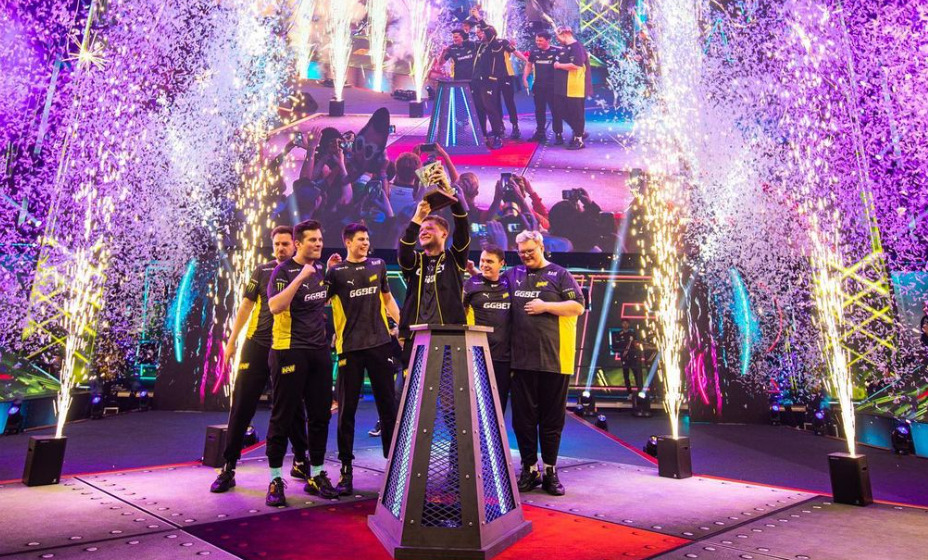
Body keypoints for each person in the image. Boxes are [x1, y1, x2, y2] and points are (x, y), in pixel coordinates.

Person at [210, 226, 310, 494]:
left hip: (286, 346)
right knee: (242, 405)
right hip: (256, 345)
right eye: (276, 244)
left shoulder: (304, 273)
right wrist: (232, 341)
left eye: (285, 244)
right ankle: (228, 467)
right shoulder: (262, 271)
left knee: (292, 406)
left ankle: (301, 460)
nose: (280, 248)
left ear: (296, 245)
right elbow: (246, 306)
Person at [264, 220, 339, 506]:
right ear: (298, 244)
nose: (318, 244)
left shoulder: (318, 269)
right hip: (289, 350)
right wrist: (300, 278)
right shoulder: (283, 271)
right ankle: (275, 479)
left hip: (318, 351)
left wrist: (328, 271)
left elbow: (321, 299)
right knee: (282, 416)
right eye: (312, 240)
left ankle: (316, 474)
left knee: (320, 416)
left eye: (320, 239)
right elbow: (275, 306)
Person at [324, 223, 401, 496]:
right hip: (350, 349)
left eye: (367, 239)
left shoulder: (378, 265)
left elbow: (388, 299)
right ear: (347, 242)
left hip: (380, 345)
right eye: (360, 239)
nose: (365, 243)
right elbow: (321, 301)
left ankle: (394, 467)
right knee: (347, 411)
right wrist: (326, 271)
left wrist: (402, 326)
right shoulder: (336, 272)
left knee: (388, 407)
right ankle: (346, 470)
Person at [507, 230, 584, 496]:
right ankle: (529, 470)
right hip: (521, 361)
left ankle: (551, 471)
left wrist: (546, 306)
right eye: (521, 252)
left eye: (530, 250)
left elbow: (578, 306)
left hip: (555, 361)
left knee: (551, 421)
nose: (526, 256)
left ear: (541, 246)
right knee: (523, 422)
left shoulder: (559, 274)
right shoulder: (513, 275)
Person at [397, 198, 471, 361]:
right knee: (412, 378)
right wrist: (417, 219)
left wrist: (452, 198)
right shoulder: (415, 261)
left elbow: (463, 227)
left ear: (444, 234)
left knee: (446, 378)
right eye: (421, 229)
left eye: (429, 228)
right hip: (415, 336)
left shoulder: (454, 258)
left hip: (449, 335)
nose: (423, 232)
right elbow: (404, 250)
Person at [463, 246, 513, 411]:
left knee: (498, 406)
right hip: (477, 355)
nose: (485, 265)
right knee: (475, 405)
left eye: (490, 261)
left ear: (501, 263)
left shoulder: (509, 284)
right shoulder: (471, 284)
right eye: (482, 261)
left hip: (503, 358)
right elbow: (460, 312)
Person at [474, 25, 528, 149]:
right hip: (493, 78)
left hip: (506, 75)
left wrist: (526, 61)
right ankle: (499, 126)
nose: (478, 35)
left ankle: (515, 126)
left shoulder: (501, 42)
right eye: (477, 33)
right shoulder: (482, 46)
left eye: (480, 32)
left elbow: (515, 52)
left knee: (509, 101)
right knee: (494, 102)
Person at [553, 27, 591, 150]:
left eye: (557, 36)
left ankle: (579, 138)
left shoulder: (576, 47)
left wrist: (559, 65)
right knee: (560, 110)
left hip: (575, 87)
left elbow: (576, 65)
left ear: (564, 34)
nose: (557, 39)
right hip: (564, 87)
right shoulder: (566, 47)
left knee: (576, 113)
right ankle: (579, 131)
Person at [524, 31, 564, 144]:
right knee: (539, 110)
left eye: (540, 40)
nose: (538, 42)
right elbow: (529, 65)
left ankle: (558, 134)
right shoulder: (534, 51)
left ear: (548, 40)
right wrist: (524, 78)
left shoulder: (557, 51)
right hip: (538, 86)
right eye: (537, 40)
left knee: (556, 111)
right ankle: (540, 133)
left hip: (553, 87)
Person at [614, 319, 642, 400]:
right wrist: (621, 351)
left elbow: (636, 344)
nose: (625, 324)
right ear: (622, 324)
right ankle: (630, 393)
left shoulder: (632, 334)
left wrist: (635, 344)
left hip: (632, 357)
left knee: (636, 374)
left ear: (629, 324)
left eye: (626, 323)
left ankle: (640, 392)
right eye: (624, 323)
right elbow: (616, 345)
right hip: (624, 357)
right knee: (626, 376)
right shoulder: (618, 334)